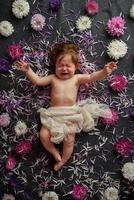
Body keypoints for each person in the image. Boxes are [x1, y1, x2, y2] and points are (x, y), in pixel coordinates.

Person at [16, 42, 117, 171]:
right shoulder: (53, 78)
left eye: (68, 66)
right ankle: (54, 152)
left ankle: (63, 161)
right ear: (55, 67)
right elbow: (38, 81)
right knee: (43, 135)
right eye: (60, 65)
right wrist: (28, 70)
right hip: (53, 114)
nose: (64, 69)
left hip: (70, 115)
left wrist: (104, 71)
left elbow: (92, 77)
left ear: (76, 66)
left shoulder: (76, 78)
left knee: (69, 140)